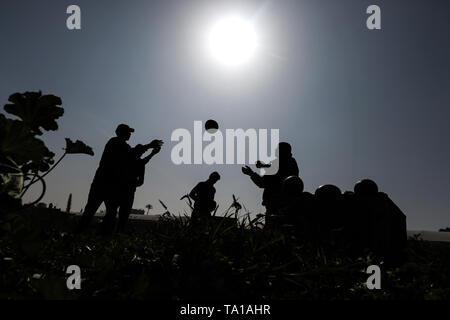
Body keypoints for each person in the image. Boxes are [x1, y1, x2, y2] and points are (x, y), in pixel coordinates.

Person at [75, 123, 161, 233]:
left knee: (108, 214)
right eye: (128, 132)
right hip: (104, 184)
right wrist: (149, 146)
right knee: (93, 212)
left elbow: (137, 159)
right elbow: (133, 156)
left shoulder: (121, 145)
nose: (130, 134)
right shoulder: (116, 142)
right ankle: (80, 235)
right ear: (122, 133)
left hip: (109, 185)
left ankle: (100, 238)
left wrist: (149, 150)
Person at [242, 142, 299, 225]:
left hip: (275, 204)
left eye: (277, 149)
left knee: (272, 231)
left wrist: (251, 173)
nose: (275, 150)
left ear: (281, 151)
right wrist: (264, 165)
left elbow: (262, 183)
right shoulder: (292, 162)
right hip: (289, 204)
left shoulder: (278, 164)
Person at [116, 143, 162, 232]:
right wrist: (152, 153)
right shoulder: (136, 162)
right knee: (123, 216)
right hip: (127, 190)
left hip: (121, 189)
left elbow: (141, 180)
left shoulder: (127, 159)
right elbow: (141, 181)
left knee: (114, 214)